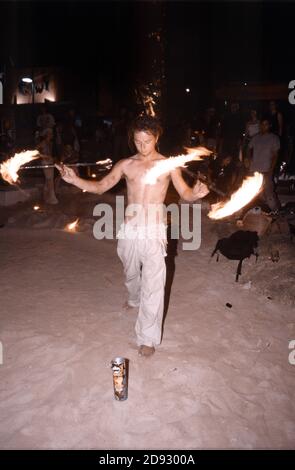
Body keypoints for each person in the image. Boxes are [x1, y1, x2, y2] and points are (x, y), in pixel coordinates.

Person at [56, 115, 209, 357]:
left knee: (154, 283)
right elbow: (102, 186)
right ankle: (134, 296)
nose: (142, 146)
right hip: (130, 229)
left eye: (146, 141)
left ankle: (147, 337)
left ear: (156, 138)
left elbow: (185, 193)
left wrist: (196, 194)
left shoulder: (168, 164)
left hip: (154, 230)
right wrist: (74, 179)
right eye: (137, 141)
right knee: (130, 270)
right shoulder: (126, 164)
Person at [248, 117, 281, 212]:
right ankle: (259, 215)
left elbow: (275, 155)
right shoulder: (256, 137)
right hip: (254, 170)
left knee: (269, 194)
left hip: (266, 170)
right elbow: (248, 149)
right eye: (262, 124)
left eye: (266, 124)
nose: (263, 126)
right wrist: (248, 158)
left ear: (269, 126)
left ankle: (277, 213)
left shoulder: (274, 138)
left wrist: (271, 169)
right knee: (255, 194)